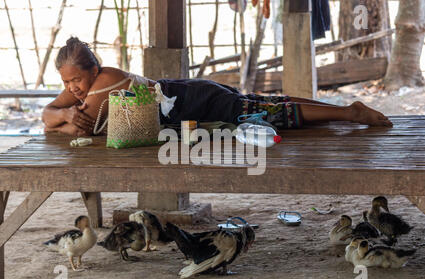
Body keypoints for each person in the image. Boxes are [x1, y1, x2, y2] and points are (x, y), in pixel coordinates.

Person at [42, 37, 393, 137]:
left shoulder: (103, 82)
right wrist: (64, 113)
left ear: (95, 69)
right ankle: (346, 111)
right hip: (188, 92)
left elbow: (76, 126)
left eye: (76, 79)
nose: (72, 87)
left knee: (261, 113)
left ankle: (349, 112)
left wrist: (66, 116)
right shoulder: (82, 91)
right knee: (262, 102)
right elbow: (48, 115)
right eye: (66, 83)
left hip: (193, 101)